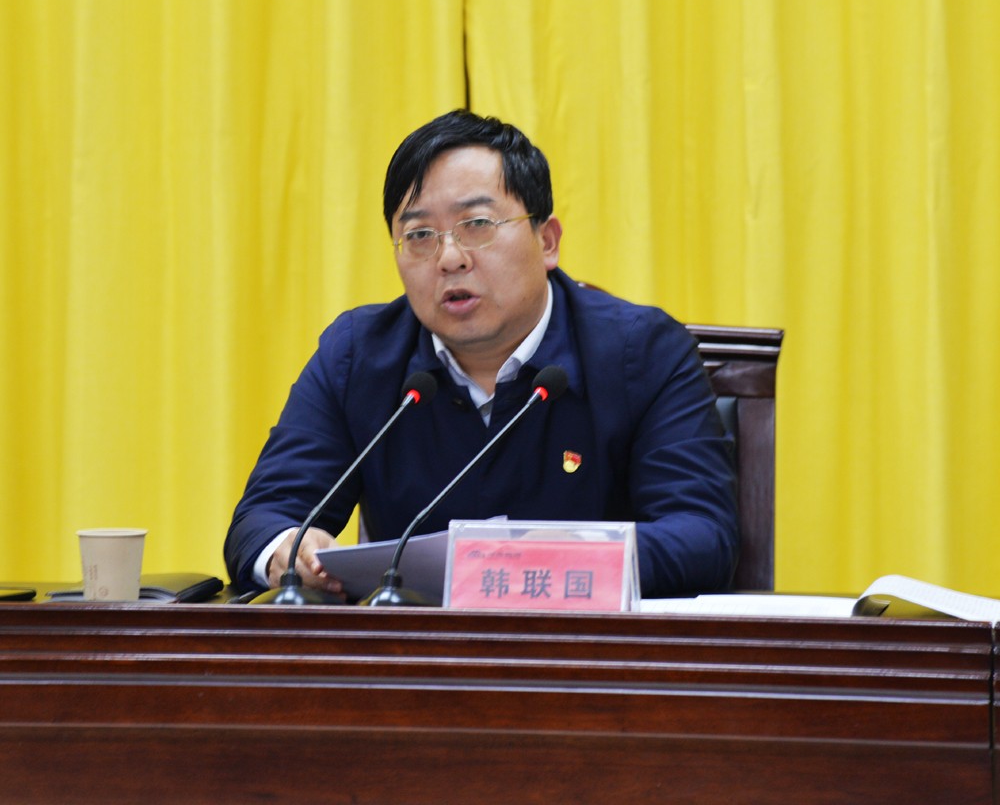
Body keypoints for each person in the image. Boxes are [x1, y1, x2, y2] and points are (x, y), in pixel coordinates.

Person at [224, 109, 738, 599]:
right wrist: (287, 549)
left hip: (587, 649)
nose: (450, 258)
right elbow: (263, 519)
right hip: (417, 653)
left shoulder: (642, 352)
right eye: (419, 235)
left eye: (477, 225)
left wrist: (548, 560)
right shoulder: (357, 356)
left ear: (547, 241)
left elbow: (702, 535)